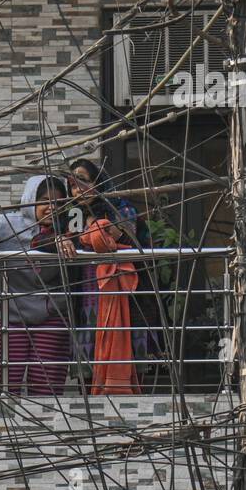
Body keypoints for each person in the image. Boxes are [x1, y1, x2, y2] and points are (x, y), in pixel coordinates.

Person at [0, 176, 76, 397]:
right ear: (29, 199)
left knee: (46, 388)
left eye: (59, 202)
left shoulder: (71, 226)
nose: (51, 207)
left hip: (52, 315)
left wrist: (63, 239)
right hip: (9, 316)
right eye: (44, 200)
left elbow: (85, 241)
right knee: (5, 387)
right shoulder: (5, 225)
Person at [68, 158, 156, 394]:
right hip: (87, 296)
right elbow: (74, 242)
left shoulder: (121, 207)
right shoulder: (74, 213)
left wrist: (104, 231)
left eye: (83, 181)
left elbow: (130, 240)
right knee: (89, 360)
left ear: (98, 182)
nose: (78, 189)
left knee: (128, 356)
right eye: (73, 185)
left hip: (125, 294)